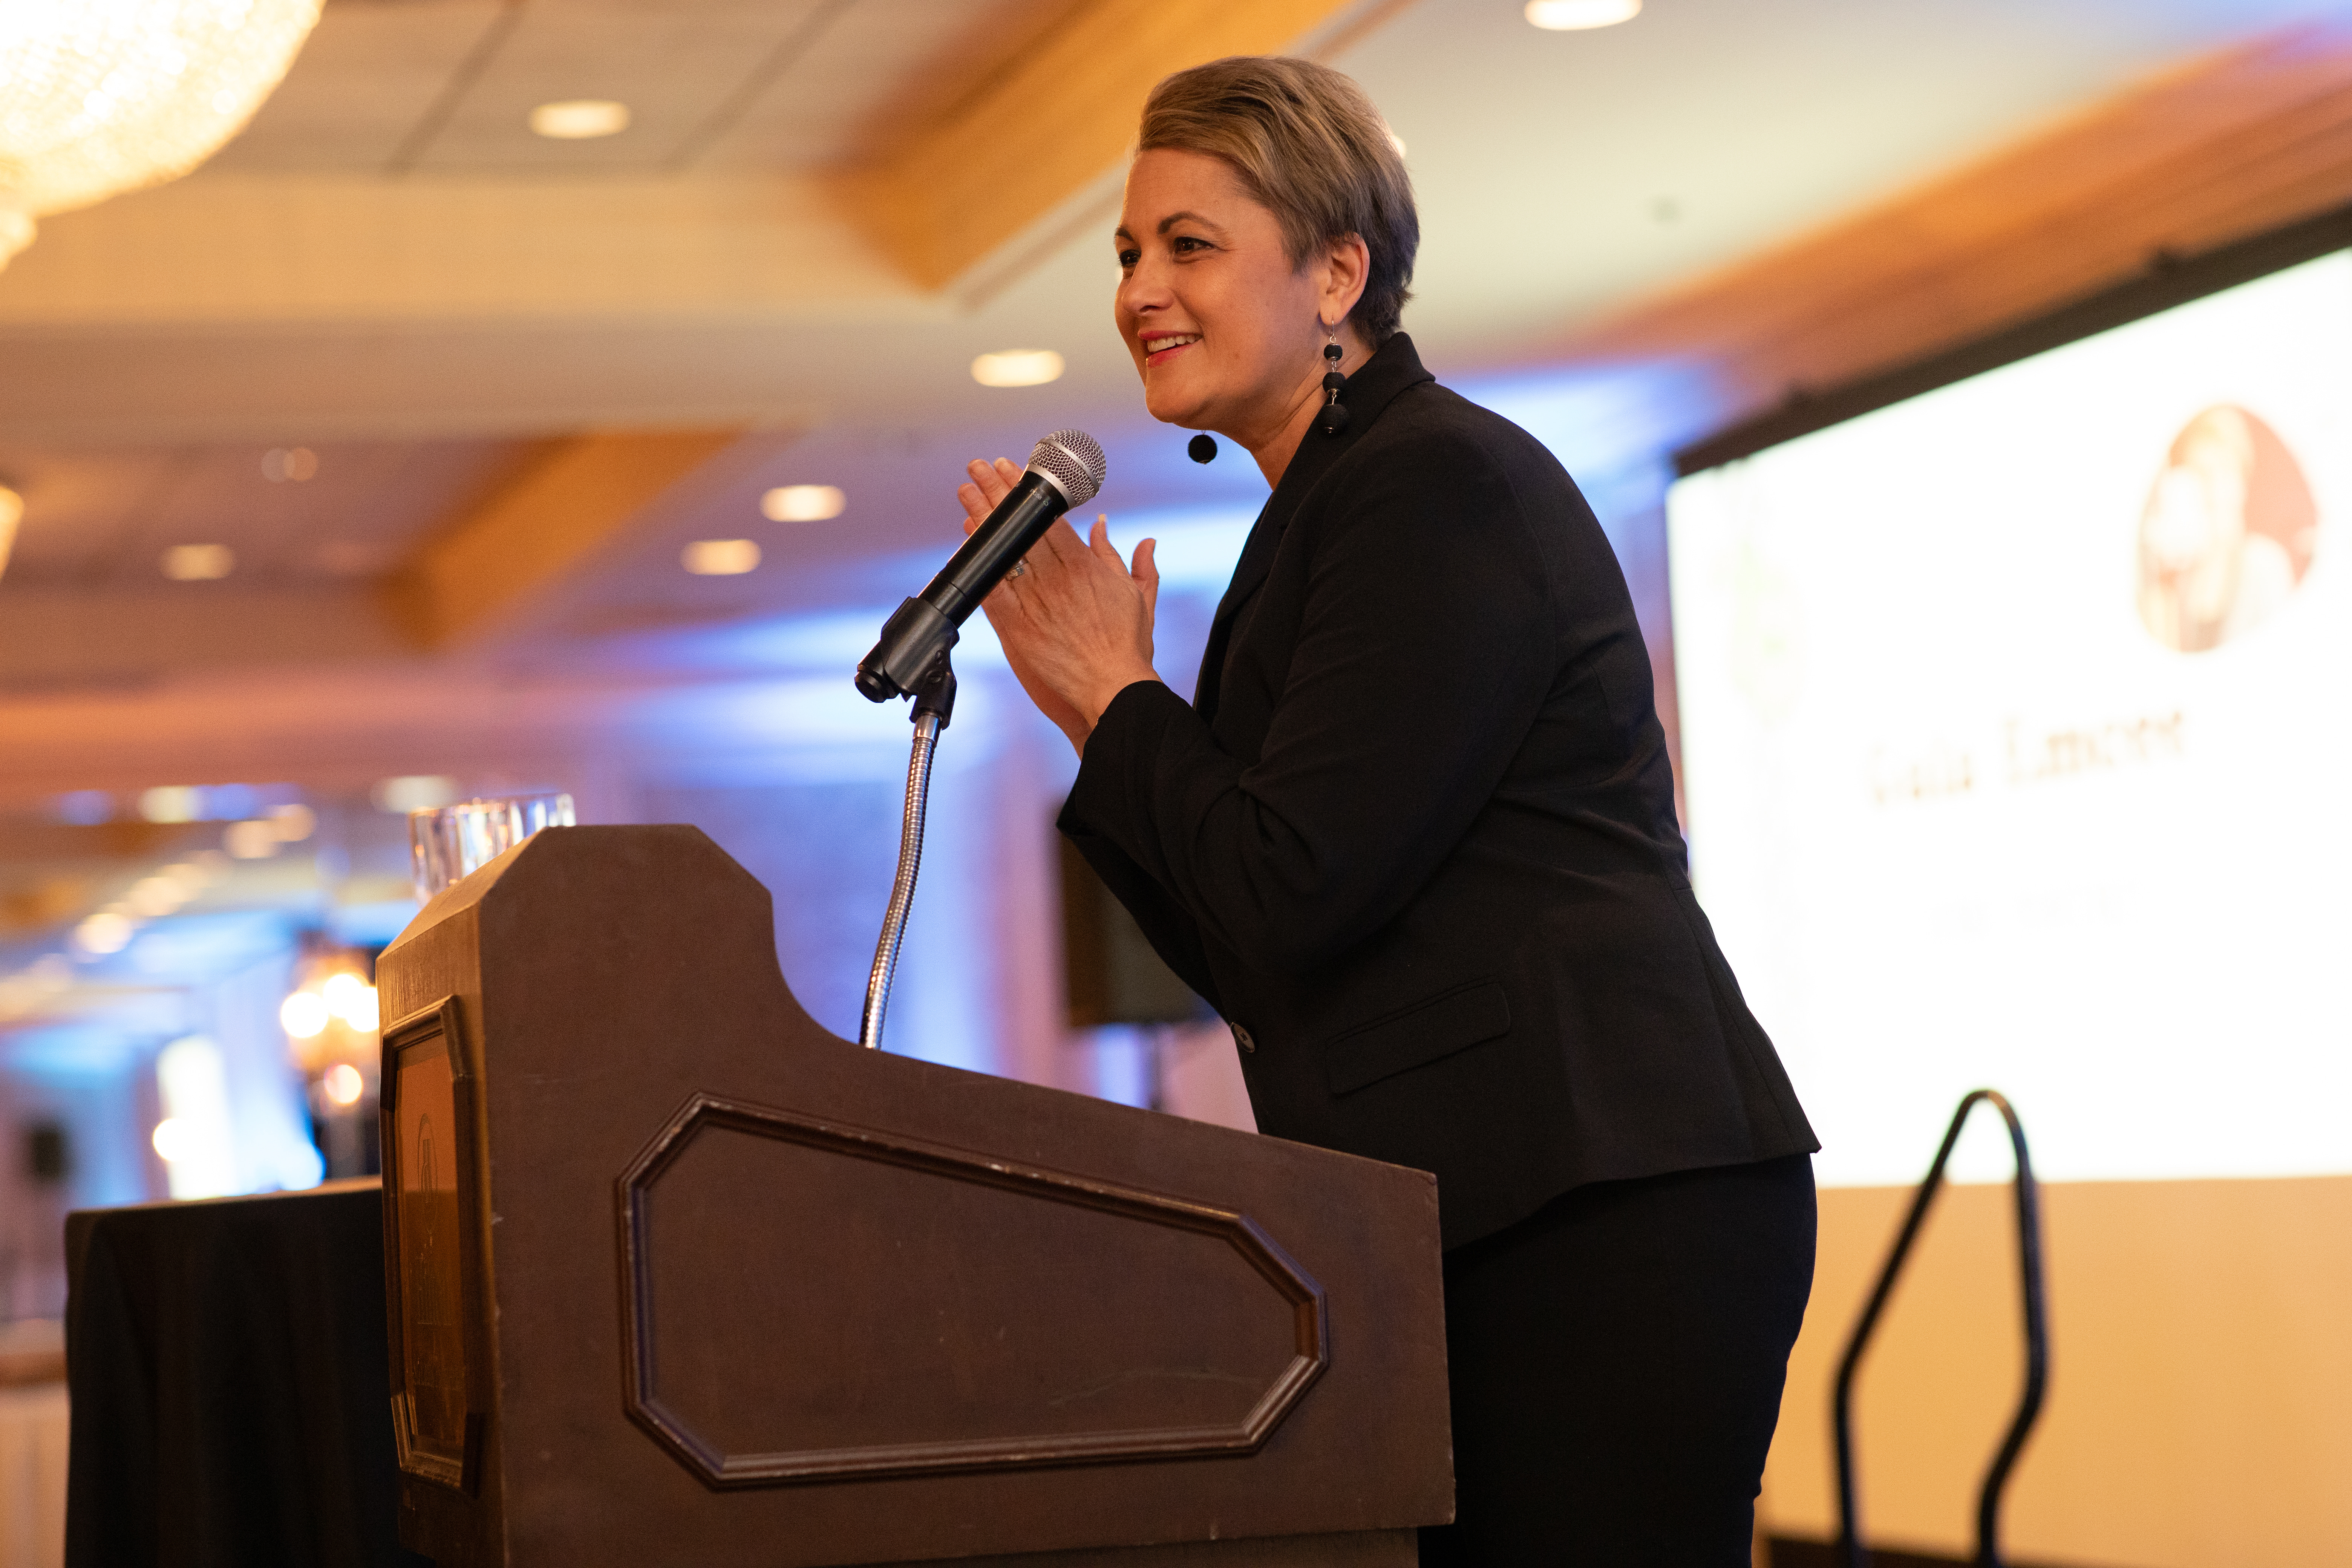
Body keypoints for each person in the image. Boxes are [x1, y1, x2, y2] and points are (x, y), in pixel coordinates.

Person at [956, 55, 1818, 1565]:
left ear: (1337, 273)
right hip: (1494, 1207)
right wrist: (1104, 709)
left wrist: (1118, 699)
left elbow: (1289, 884)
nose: (1141, 286)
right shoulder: (1330, 517)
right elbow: (1258, 947)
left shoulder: (1432, 490)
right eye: (1128, 252)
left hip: (1601, 1200)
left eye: (1190, 244)